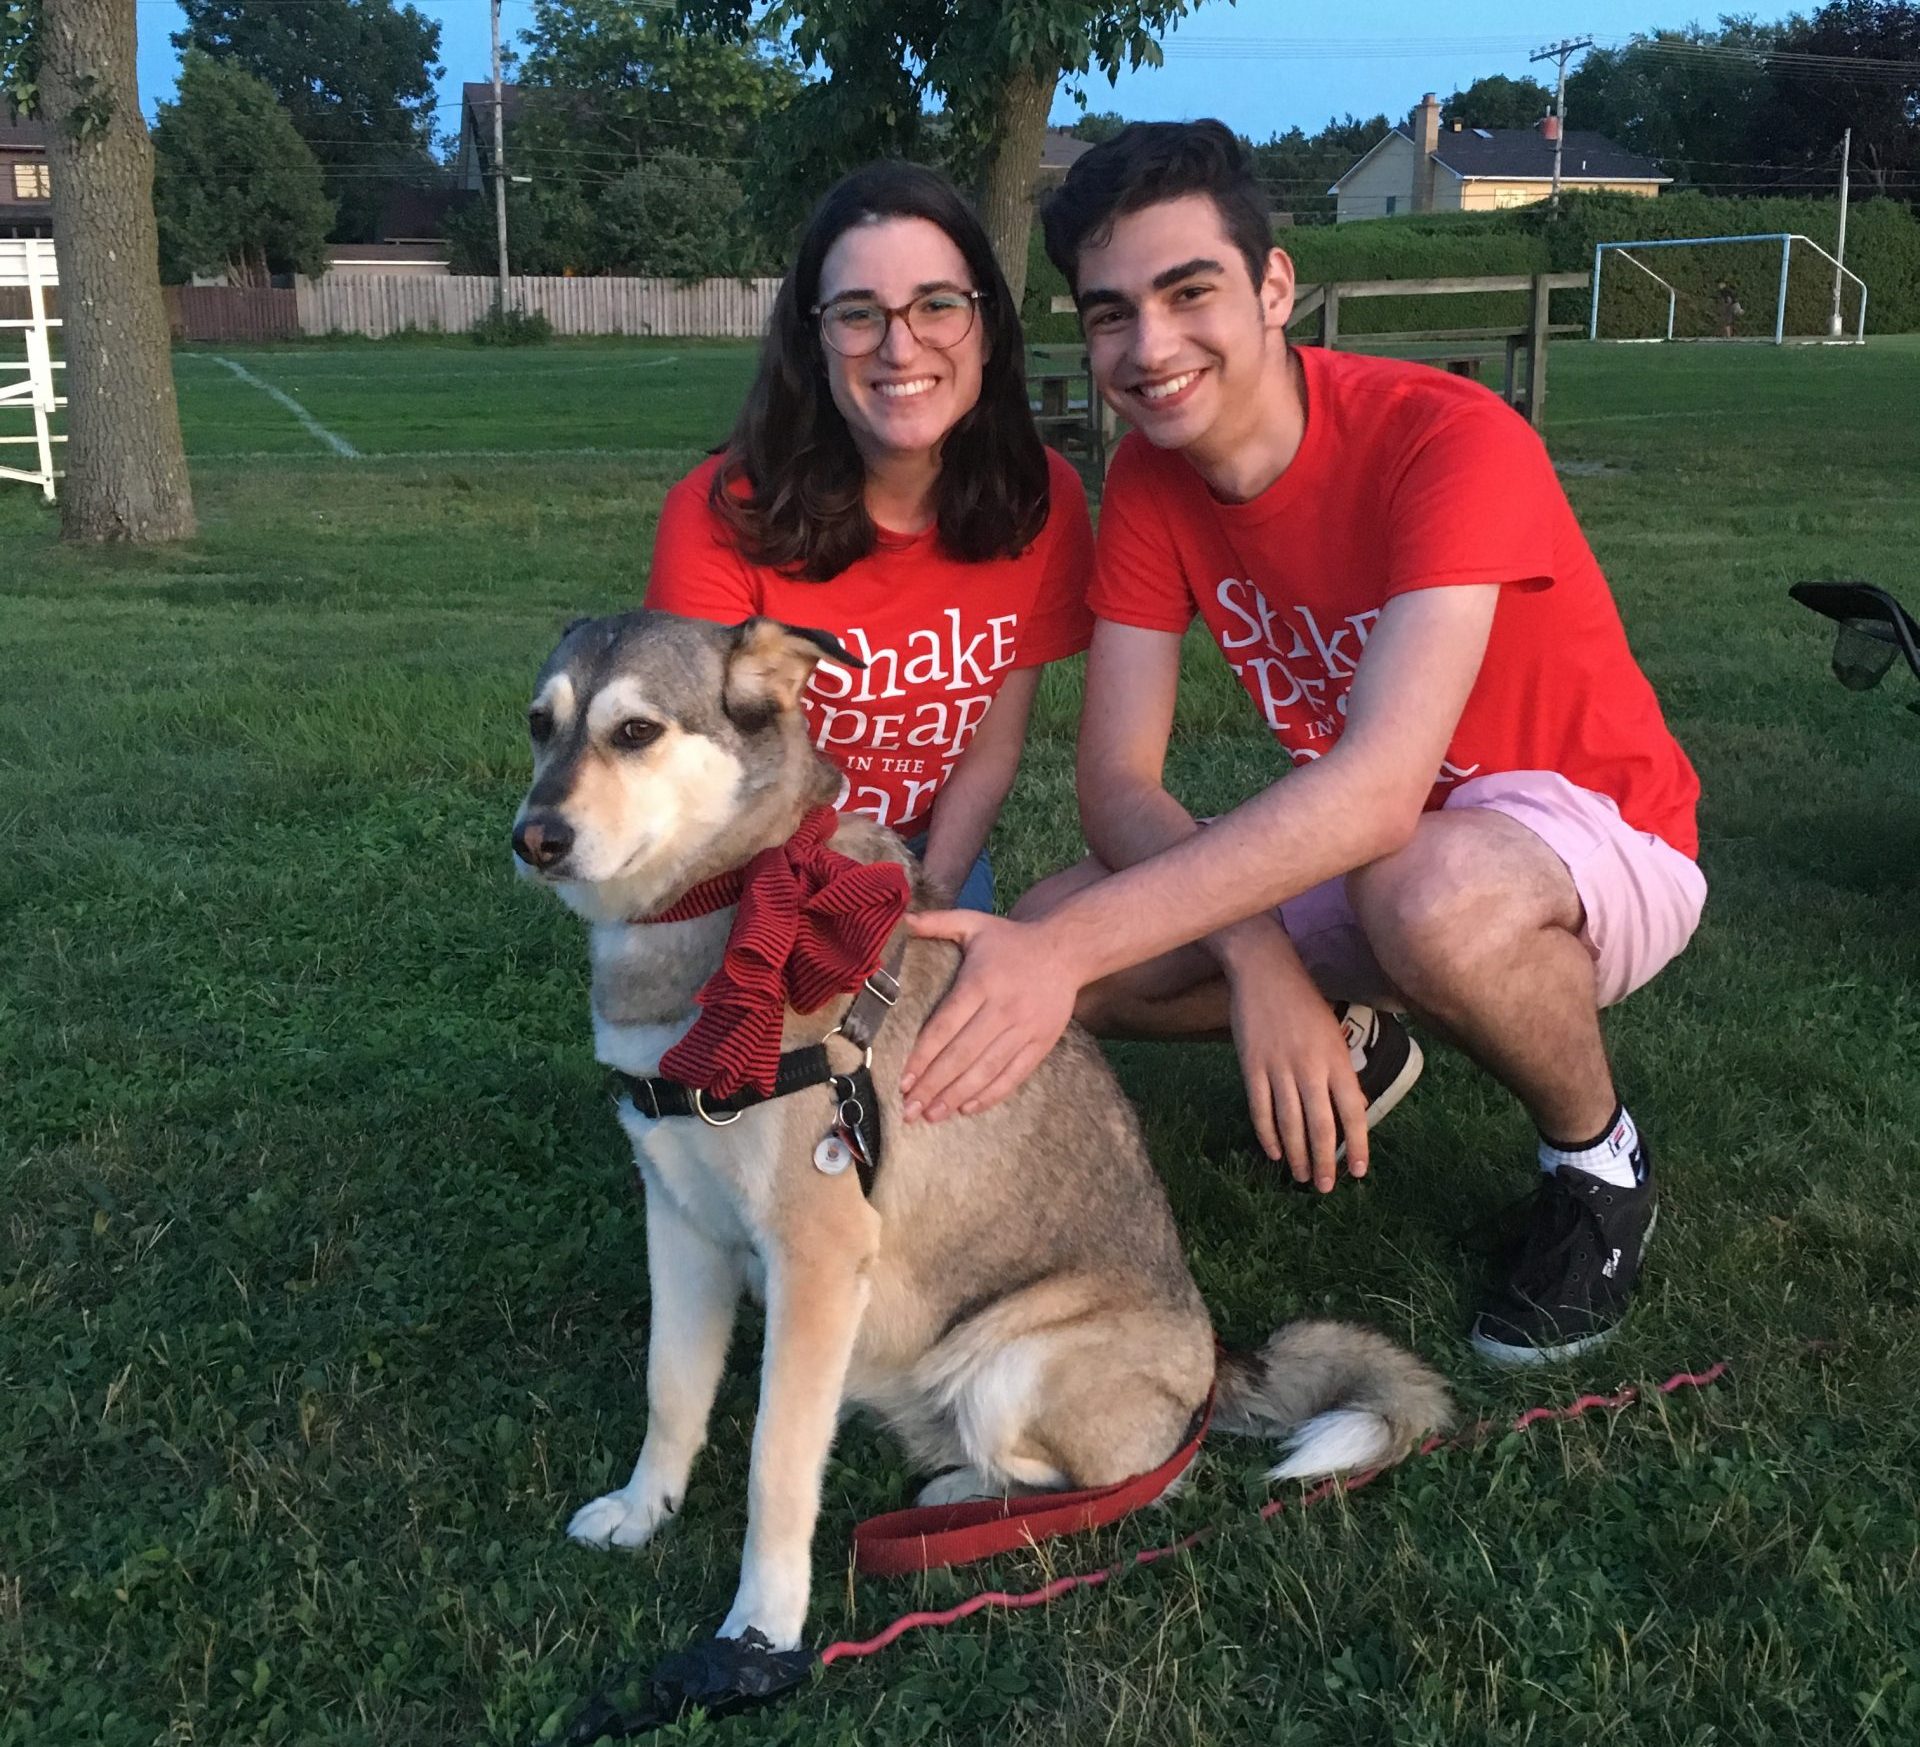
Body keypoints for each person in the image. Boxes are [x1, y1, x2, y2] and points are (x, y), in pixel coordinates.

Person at [898, 122, 1705, 1366]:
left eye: (1189, 292)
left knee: (1405, 892)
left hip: (1596, 829)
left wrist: (1060, 956)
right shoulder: (1157, 490)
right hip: (1393, 843)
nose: (1149, 347)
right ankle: (1357, 1036)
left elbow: (1379, 795)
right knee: (1078, 930)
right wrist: (1263, 967)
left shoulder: (1447, 437)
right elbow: (1116, 783)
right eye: (1110, 314)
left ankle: (1597, 1163)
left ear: (1275, 289)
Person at [644, 162, 1094, 912]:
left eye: (938, 305)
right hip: (750, 861)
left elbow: (990, 748)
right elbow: (708, 776)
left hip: (925, 851)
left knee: (958, 1021)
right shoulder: (715, 515)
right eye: (859, 314)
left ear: (986, 330)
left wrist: (927, 898)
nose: (901, 347)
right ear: (814, 345)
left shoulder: (1041, 500)